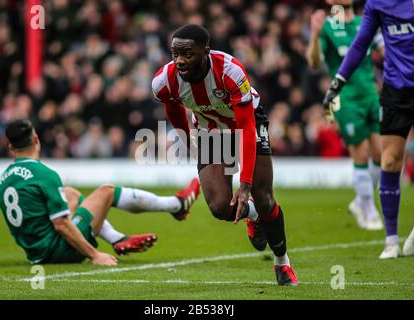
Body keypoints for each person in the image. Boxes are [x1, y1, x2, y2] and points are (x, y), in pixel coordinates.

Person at [152, 24, 299, 286]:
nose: (180, 60)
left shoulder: (230, 71)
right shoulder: (164, 81)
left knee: (264, 198)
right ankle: (253, 216)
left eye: (187, 53)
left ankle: (282, 263)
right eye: (175, 53)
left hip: (248, 125)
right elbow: (173, 111)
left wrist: (245, 185)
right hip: (210, 131)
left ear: (205, 52)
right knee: (220, 207)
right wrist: (189, 141)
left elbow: (245, 127)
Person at [0, 119, 200, 265]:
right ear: (36, 139)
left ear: (10, 146)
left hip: (35, 253)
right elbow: (61, 225)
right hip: (57, 251)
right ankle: (177, 204)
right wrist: (95, 255)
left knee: (71, 195)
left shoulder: (4, 180)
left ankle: (117, 238)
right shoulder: (44, 174)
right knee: (106, 191)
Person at [323, 0, 414, 259]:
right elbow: (361, 43)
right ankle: (391, 240)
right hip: (395, 91)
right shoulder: (377, 5)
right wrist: (338, 81)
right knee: (390, 160)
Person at [306, 0, 384, 230]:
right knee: (359, 152)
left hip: (371, 94)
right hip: (345, 98)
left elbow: (385, 50)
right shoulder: (328, 26)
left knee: (381, 154)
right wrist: (314, 34)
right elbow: (313, 62)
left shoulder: (364, 22)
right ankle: (368, 209)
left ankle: (361, 201)